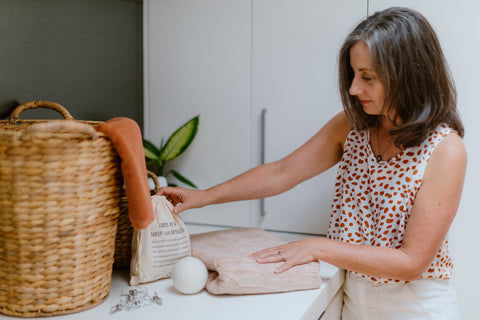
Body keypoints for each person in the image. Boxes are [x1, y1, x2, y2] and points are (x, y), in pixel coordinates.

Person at [158, 7, 466, 319]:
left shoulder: (445, 149)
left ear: (408, 75)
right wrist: (204, 196)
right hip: (353, 298)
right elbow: (282, 172)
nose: (353, 89)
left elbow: (411, 263)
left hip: (415, 306)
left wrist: (317, 247)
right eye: (354, 74)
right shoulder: (352, 126)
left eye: (367, 77)